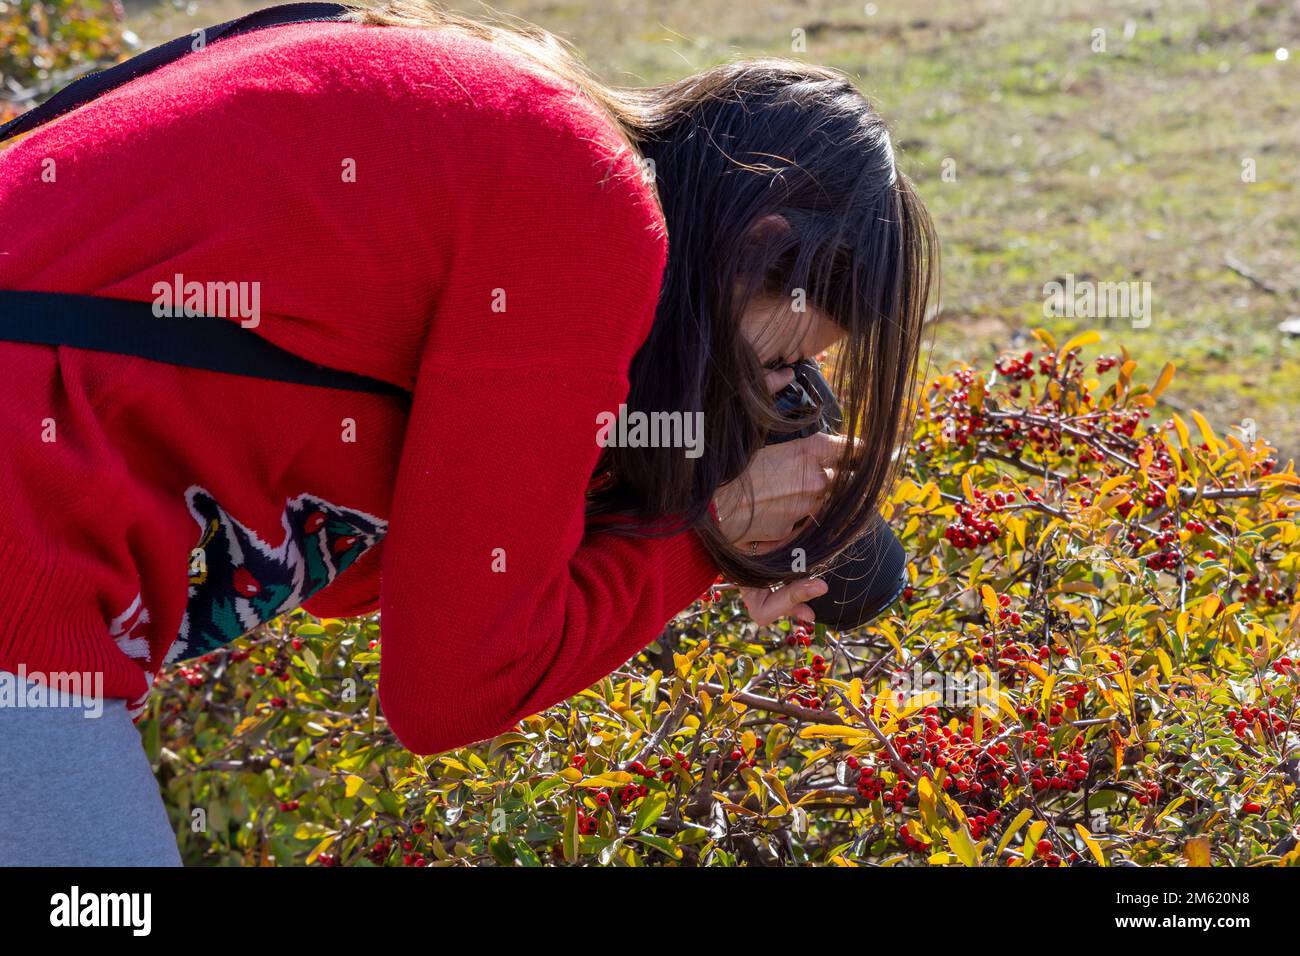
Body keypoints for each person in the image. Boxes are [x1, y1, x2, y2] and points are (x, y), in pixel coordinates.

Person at [0, 0, 935, 865]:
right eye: (778, 366)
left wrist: (662, 508)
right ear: (757, 248)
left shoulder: (521, 129)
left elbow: (363, 577)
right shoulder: (585, 205)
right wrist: (704, 533)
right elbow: (449, 689)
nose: (765, 398)